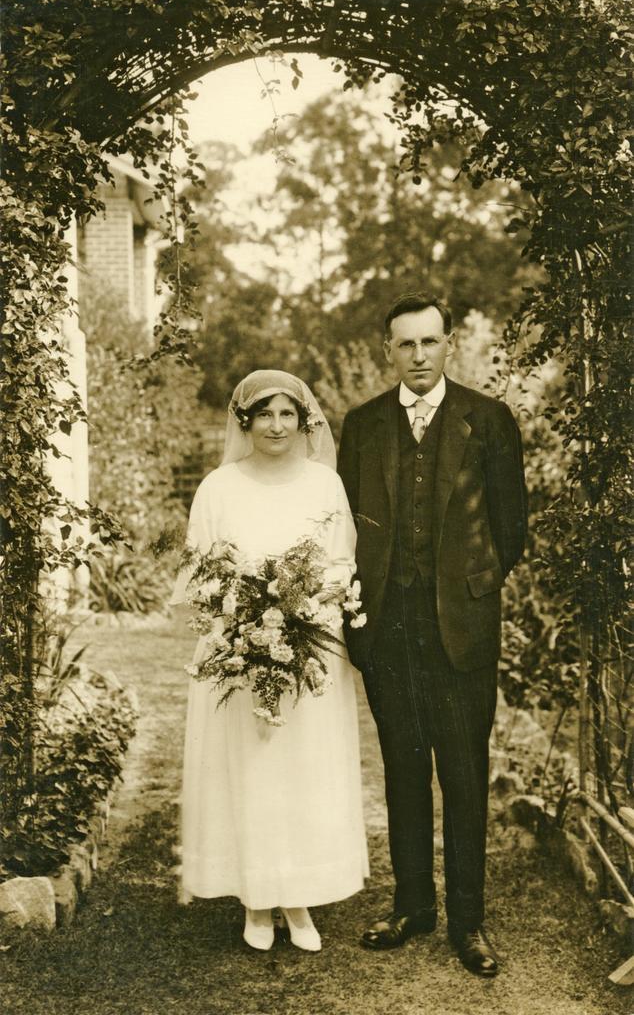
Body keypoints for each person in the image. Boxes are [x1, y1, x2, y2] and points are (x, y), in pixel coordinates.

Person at [337, 292, 527, 976]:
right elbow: (348, 523)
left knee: (465, 775)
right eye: (405, 345)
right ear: (389, 351)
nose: (418, 356)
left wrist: (467, 590)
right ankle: (413, 906)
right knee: (404, 770)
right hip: (388, 631)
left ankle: (468, 923)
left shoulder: (489, 420)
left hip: (462, 631)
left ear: (448, 345)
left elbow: (511, 529)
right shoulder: (361, 426)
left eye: (429, 342)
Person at [170, 370, 368, 953]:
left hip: (305, 655)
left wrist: (302, 615)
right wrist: (240, 627)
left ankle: (298, 897)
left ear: (303, 420)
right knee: (250, 770)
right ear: (245, 421)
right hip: (236, 655)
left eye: (287, 414)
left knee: (301, 772)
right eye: (263, 414)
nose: (276, 426)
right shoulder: (218, 488)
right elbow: (199, 573)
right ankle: (257, 899)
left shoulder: (324, 486)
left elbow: (340, 565)